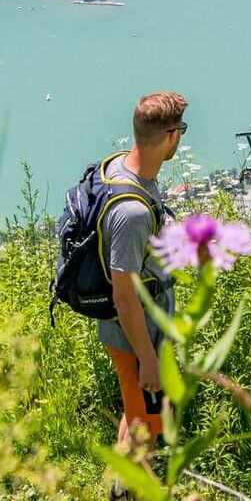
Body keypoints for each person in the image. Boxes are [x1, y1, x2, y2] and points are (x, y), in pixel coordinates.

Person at [99, 91, 188, 453]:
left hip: (140, 334)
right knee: (146, 435)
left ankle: (120, 489)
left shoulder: (121, 166)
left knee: (137, 419)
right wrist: (148, 361)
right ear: (171, 136)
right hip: (137, 338)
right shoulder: (132, 214)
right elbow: (123, 294)